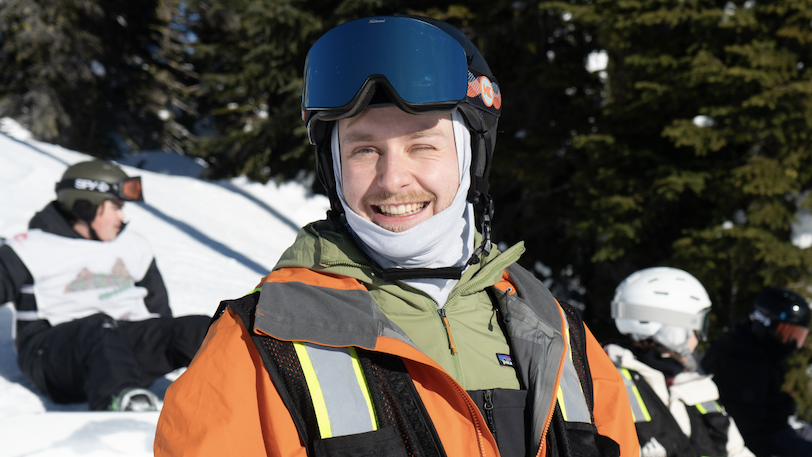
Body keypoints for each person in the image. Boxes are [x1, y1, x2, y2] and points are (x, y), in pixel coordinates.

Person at [155, 15, 638, 456]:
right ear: (333, 167)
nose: (392, 180)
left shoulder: (559, 335)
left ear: (471, 159)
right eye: (364, 150)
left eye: (422, 146)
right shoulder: (259, 344)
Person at [0, 159, 210, 412]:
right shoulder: (29, 248)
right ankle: (120, 406)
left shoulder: (134, 245)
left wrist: (170, 338)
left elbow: (159, 313)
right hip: (52, 357)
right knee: (100, 327)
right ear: (85, 206)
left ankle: (241, 388)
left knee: (199, 328)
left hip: (124, 347)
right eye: (115, 207)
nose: (122, 216)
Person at [605, 267, 753, 457]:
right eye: (698, 326)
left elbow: (736, 451)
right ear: (673, 328)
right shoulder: (611, 381)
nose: (698, 338)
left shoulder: (694, 385)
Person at [701, 287, 812, 457]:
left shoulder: (757, 354)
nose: (791, 345)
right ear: (764, 324)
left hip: (769, 431)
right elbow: (749, 428)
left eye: (797, 336)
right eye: (785, 334)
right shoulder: (740, 362)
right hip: (747, 441)